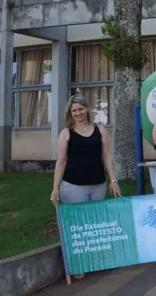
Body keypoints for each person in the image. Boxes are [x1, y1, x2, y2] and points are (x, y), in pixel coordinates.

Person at [51, 95, 122, 280]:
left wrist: (113, 180)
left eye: (81, 109)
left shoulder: (100, 129)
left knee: (94, 225)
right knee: (77, 226)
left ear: (87, 109)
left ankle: (93, 260)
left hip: (98, 184)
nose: (78, 113)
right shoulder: (66, 133)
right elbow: (61, 161)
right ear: (70, 113)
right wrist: (55, 189)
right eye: (74, 111)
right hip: (73, 186)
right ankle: (76, 264)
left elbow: (106, 156)